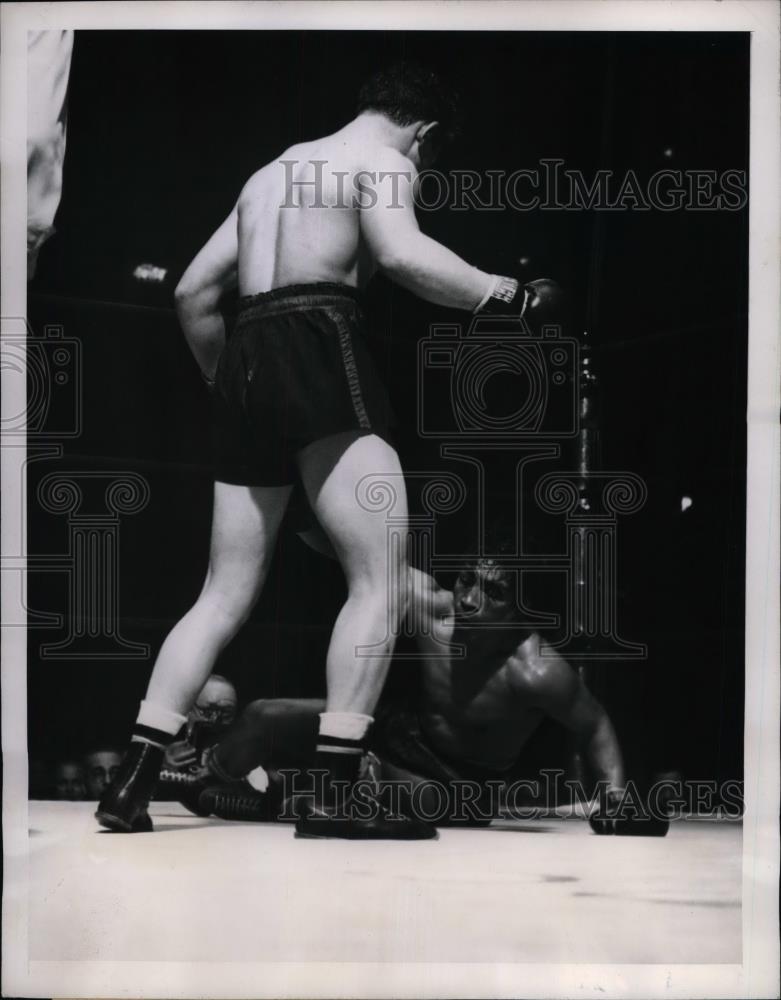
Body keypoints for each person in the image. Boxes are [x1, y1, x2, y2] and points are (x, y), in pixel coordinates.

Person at [97, 62, 564, 838]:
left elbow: (190, 293)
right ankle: (336, 793)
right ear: (426, 135)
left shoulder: (270, 173)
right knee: (379, 580)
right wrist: (508, 296)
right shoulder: (382, 160)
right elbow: (405, 254)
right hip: (318, 336)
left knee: (221, 593)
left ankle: (132, 782)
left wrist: (235, 388)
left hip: (246, 353)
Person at [162, 525, 626, 828]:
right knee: (264, 714)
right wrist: (306, 515)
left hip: (457, 784)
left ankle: (285, 793)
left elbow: (596, 725)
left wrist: (615, 800)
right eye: (467, 580)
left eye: (494, 592)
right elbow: (363, 556)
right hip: (396, 732)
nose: (468, 600)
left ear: (520, 607)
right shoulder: (430, 609)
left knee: (422, 799)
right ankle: (211, 779)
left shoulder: (537, 669)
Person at [163, 673, 238, 771]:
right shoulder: (159, 750)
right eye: (208, 711)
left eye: (226, 713)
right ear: (189, 709)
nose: (215, 720)